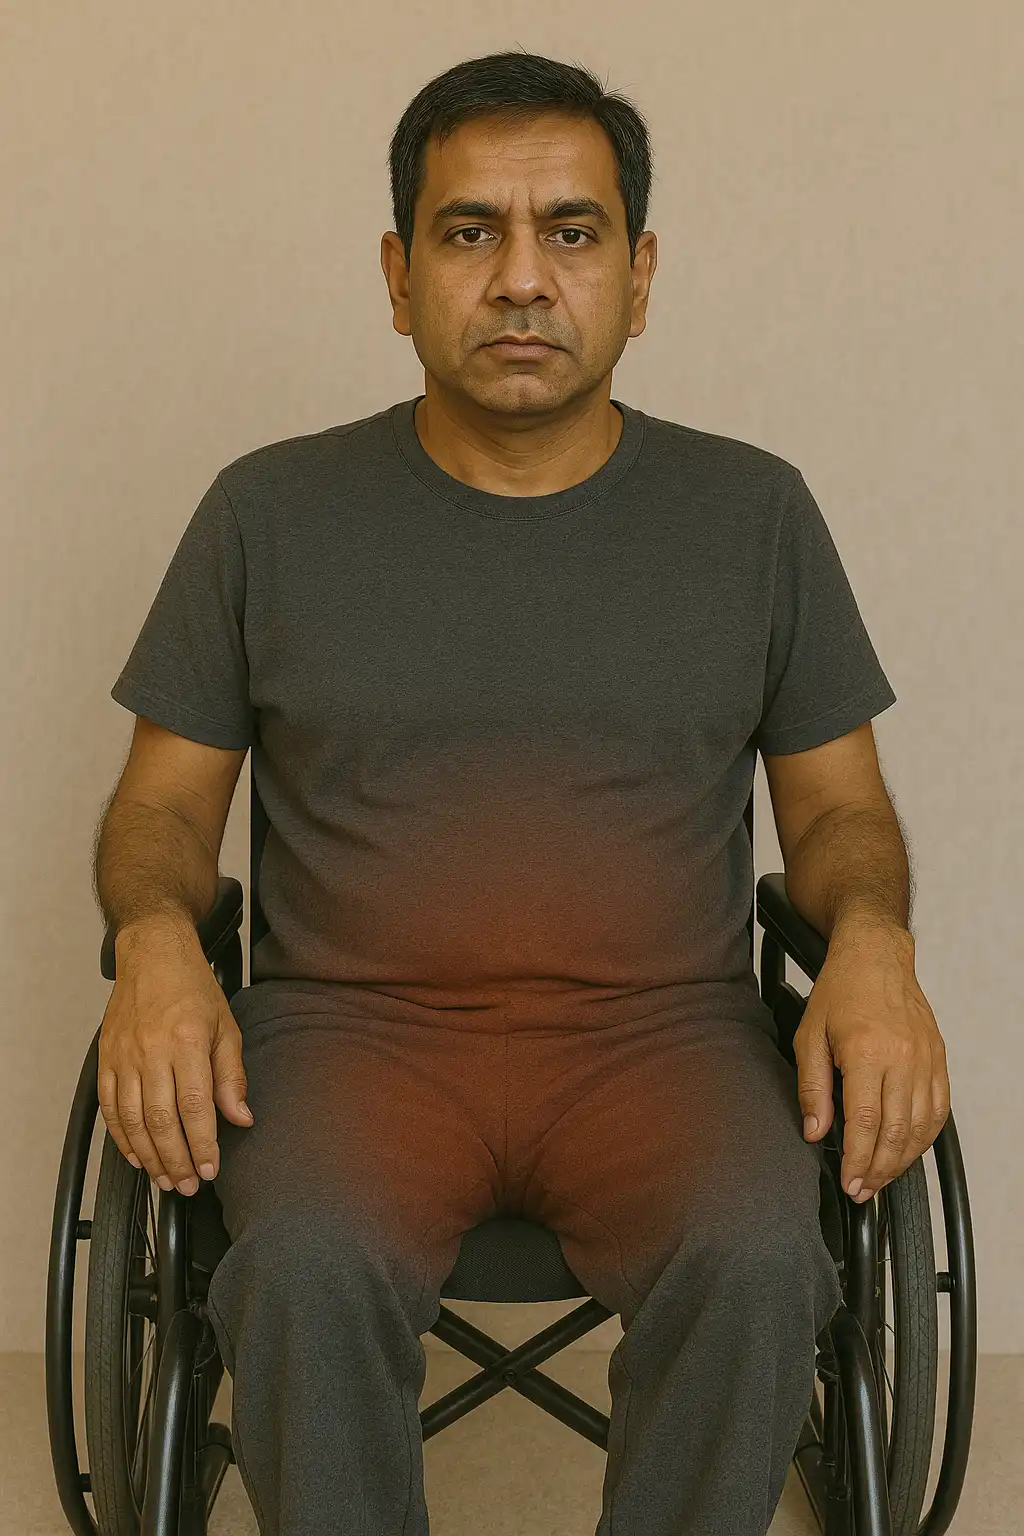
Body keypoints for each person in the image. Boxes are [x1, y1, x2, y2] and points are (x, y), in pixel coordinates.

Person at [95, 48, 914, 1536]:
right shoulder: (266, 512)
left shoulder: (755, 512)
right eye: (472, 233)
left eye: (573, 232)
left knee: (758, 1257)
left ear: (641, 273)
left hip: (662, 1033)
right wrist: (155, 943)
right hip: (355, 1034)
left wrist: (872, 944)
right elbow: (161, 812)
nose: (523, 278)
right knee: (298, 1265)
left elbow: (842, 813)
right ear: (400, 276)